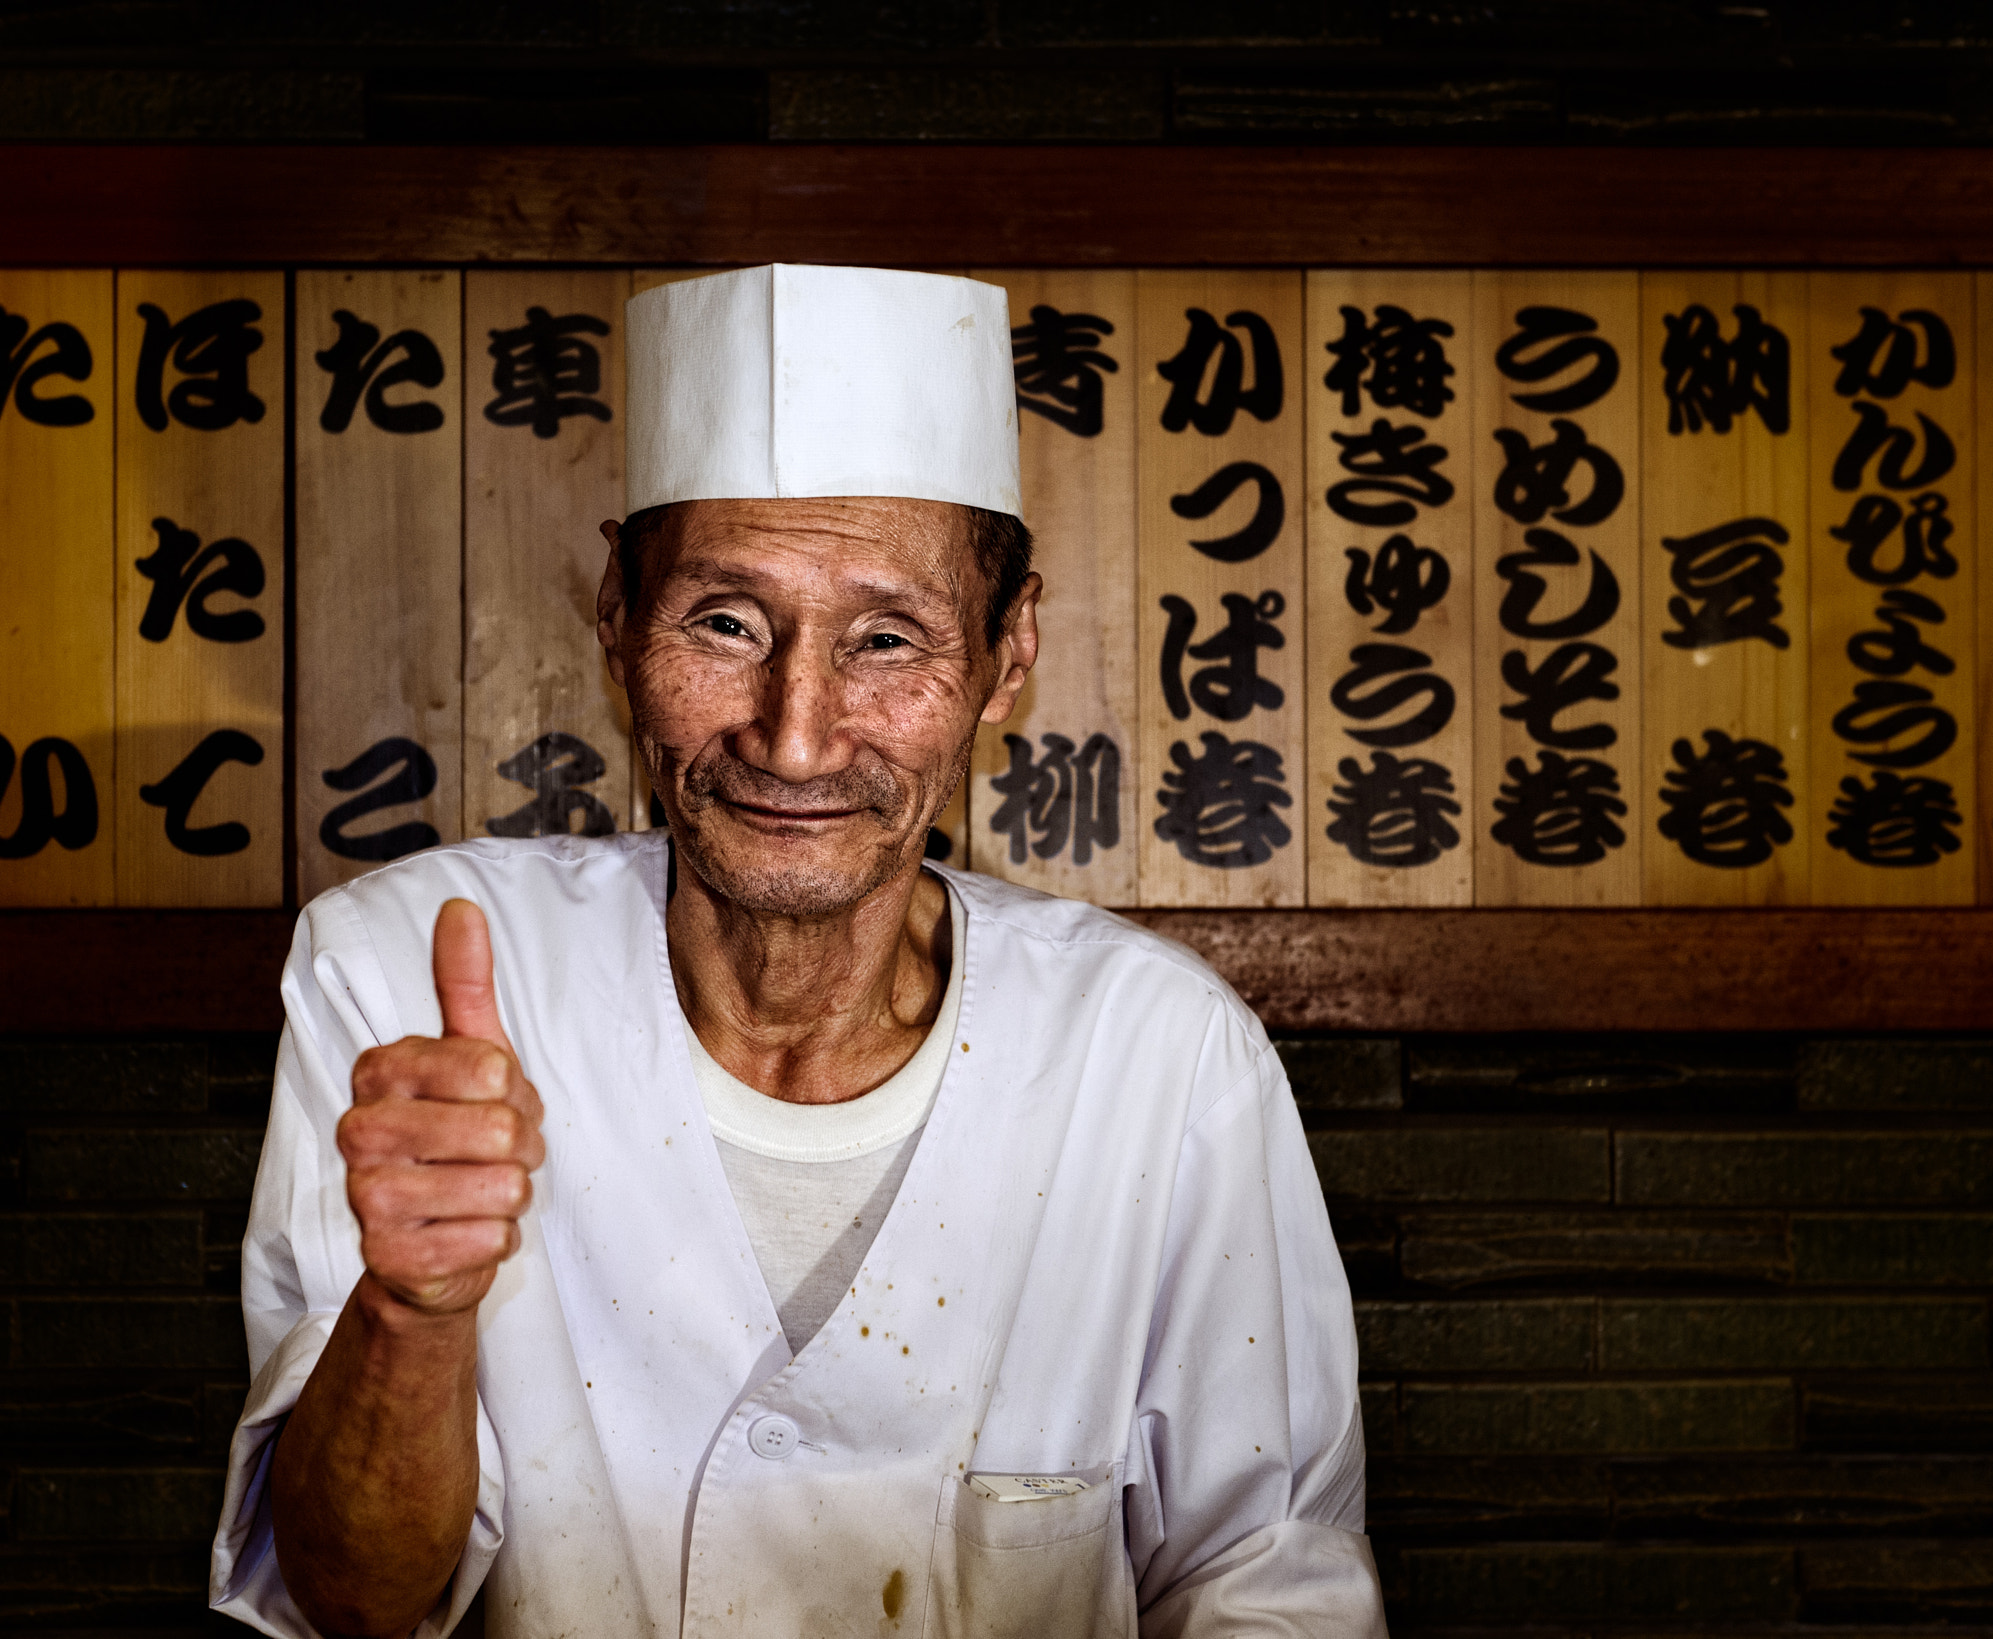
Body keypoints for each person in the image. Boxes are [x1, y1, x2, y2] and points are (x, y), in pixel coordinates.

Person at [210, 264, 1387, 1637]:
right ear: (617, 618)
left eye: (888, 639)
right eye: (725, 622)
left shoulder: (1160, 1058)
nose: (795, 733)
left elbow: (1272, 1585)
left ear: (1008, 660)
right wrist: (411, 1314)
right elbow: (348, 1604)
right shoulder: (412, 975)